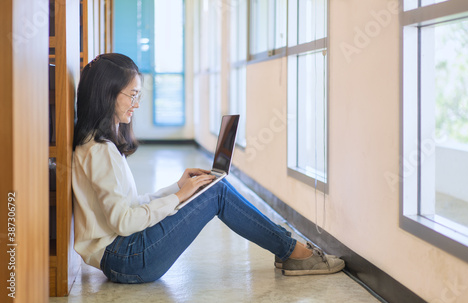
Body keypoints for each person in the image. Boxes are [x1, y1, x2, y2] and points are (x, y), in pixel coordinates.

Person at [72, 53, 345, 284]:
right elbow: (124, 222)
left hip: (124, 253)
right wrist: (178, 198)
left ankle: (288, 248)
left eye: (139, 95)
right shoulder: (99, 151)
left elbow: (128, 207)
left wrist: (178, 188)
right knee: (217, 193)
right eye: (132, 95)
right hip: (126, 259)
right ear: (107, 94)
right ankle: (294, 252)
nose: (137, 104)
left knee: (213, 189)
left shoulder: (99, 144)